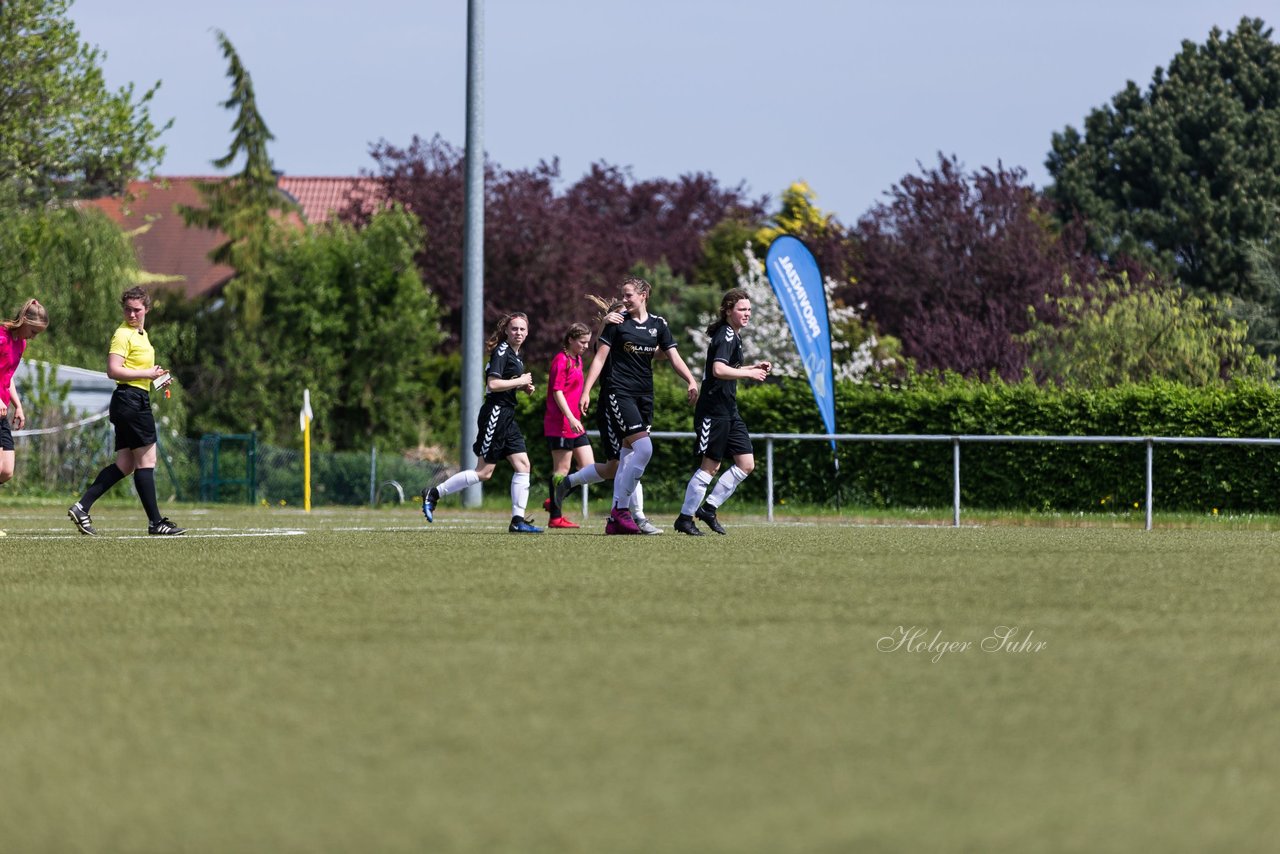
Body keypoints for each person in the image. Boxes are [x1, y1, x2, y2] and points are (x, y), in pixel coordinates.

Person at [577, 277, 699, 535]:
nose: (624, 299)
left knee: (629, 456)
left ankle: (617, 520)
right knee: (644, 448)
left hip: (645, 396)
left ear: (644, 295)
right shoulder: (617, 323)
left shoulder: (659, 325)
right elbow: (599, 359)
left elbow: (673, 356)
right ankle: (620, 511)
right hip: (619, 393)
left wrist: (690, 380)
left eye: (629, 295)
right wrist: (586, 391)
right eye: (623, 295)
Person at [68, 287, 185, 536]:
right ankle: (156, 523)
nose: (131, 314)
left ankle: (82, 507)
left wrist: (157, 378)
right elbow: (114, 370)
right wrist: (146, 374)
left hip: (132, 399)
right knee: (147, 461)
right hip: (131, 401)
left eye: (137, 310)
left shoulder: (142, 334)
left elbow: (137, 370)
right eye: (127, 309)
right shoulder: (123, 334)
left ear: (147, 310)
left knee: (125, 464)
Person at [422, 312, 543, 533]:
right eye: (514, 328)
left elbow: (506, 383)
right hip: (495, 415)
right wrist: (521, 380)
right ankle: (434, 493)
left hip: (508, 415)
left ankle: (517, 521)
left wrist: (522, 386)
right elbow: (493, 385)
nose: (518, 333)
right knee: (484, 472)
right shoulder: (502, 351)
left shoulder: (516, 356)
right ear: (506, 330)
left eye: (522, 329)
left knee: (524, 465)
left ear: (528, 332)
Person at [550, 298, 663, 534]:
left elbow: (651, 350)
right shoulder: (610, 335)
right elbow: (599, 350)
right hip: (612, 406)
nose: (626, 320)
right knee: (630, 458)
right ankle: (636, 517)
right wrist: (604, 324)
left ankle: (570, 483)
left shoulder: (630, 336)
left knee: (617, 466)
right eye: (620, 316)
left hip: (630, 402)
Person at [674, 288, 771, 535]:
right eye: (742, 309)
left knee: (746, 463)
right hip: (713, 410)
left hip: (729, 410)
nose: (747, 313)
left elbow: (726, 368)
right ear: (728, 311)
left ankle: (708, 508)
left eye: (749, 309)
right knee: (711, 466)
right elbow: (718, 370)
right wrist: (749, 373)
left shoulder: (734, 335)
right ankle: (685, 518)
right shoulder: (726, 335)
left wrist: (752, 366)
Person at [543, 322, 592, 528]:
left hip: (574, 422)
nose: (586, 346)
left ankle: (555, 498)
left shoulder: (578, 360)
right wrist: (571, 418)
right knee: (561, 469)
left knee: (590, 468)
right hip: (561, 423)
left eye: (588, 342)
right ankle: (555, 517)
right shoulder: (561, 360)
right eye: (582, 342)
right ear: (571, 340)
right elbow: (557, 392)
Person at [1, 299, 50, 493]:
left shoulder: (20, 344)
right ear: (24, 321)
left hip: (3, 409)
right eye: (33, 332)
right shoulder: (2, 337)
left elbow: (7, 376)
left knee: (6, 471)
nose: (34, 337)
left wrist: (18, 406)